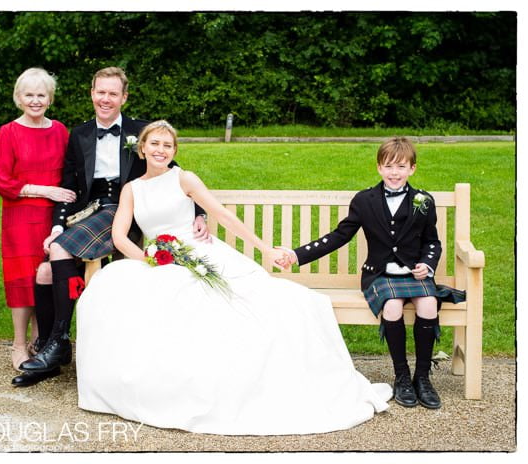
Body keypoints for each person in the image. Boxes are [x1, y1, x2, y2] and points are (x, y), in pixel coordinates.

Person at [76, 120, 392, 435]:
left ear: (174, 151)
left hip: (200, 253)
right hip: (157, 259)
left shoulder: (183, 178)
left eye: (168, 145)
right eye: (155, 144)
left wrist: (265, 249)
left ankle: (243, 382)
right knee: (112, 293)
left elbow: (223, 215)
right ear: (142, 148)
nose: (161, 150)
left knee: (253, 305)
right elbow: (120, 236)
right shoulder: (132, 189)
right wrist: (148, 259)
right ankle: (157, 386)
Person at [18, 68, 209, 385]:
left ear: (124, 97)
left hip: (126, 213)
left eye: (112, 93)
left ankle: (58, 341)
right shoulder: (79, 135)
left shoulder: (141, 130)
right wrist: (57, 225)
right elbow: (69, 186)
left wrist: (198, 211)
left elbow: (174, 172)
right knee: (45, 271)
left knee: (60, 249)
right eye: (100, 92)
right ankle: (53, 349)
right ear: (92, 93)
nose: (105, 99)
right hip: (90, 214)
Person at [279, 137, 466, 410]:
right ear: (379, 168)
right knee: (392, 307)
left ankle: (422, 378)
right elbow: (339, 236)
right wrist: (297, 255)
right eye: (389, 166)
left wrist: (427, 264)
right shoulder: (364, 200)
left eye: (401, 167)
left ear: (412, 169)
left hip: (415, 275)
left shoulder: (423, 200)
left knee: (428, 304)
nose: (394, 173)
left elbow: (432, 242)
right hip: (379, 274)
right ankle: (401, 376)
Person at [0, 68, 75, 380]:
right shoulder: (8, 132)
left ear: (50, 99)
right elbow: (3, 181)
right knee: (21, 280)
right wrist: (45, 190)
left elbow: (70, 172)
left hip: (53, 219)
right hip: (20, 216)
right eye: (29, 95)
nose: (35, 100)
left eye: (42, 95)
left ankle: (42, 343)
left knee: (46, 278)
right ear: (18, 98)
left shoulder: (60, 130)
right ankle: (18, 344)